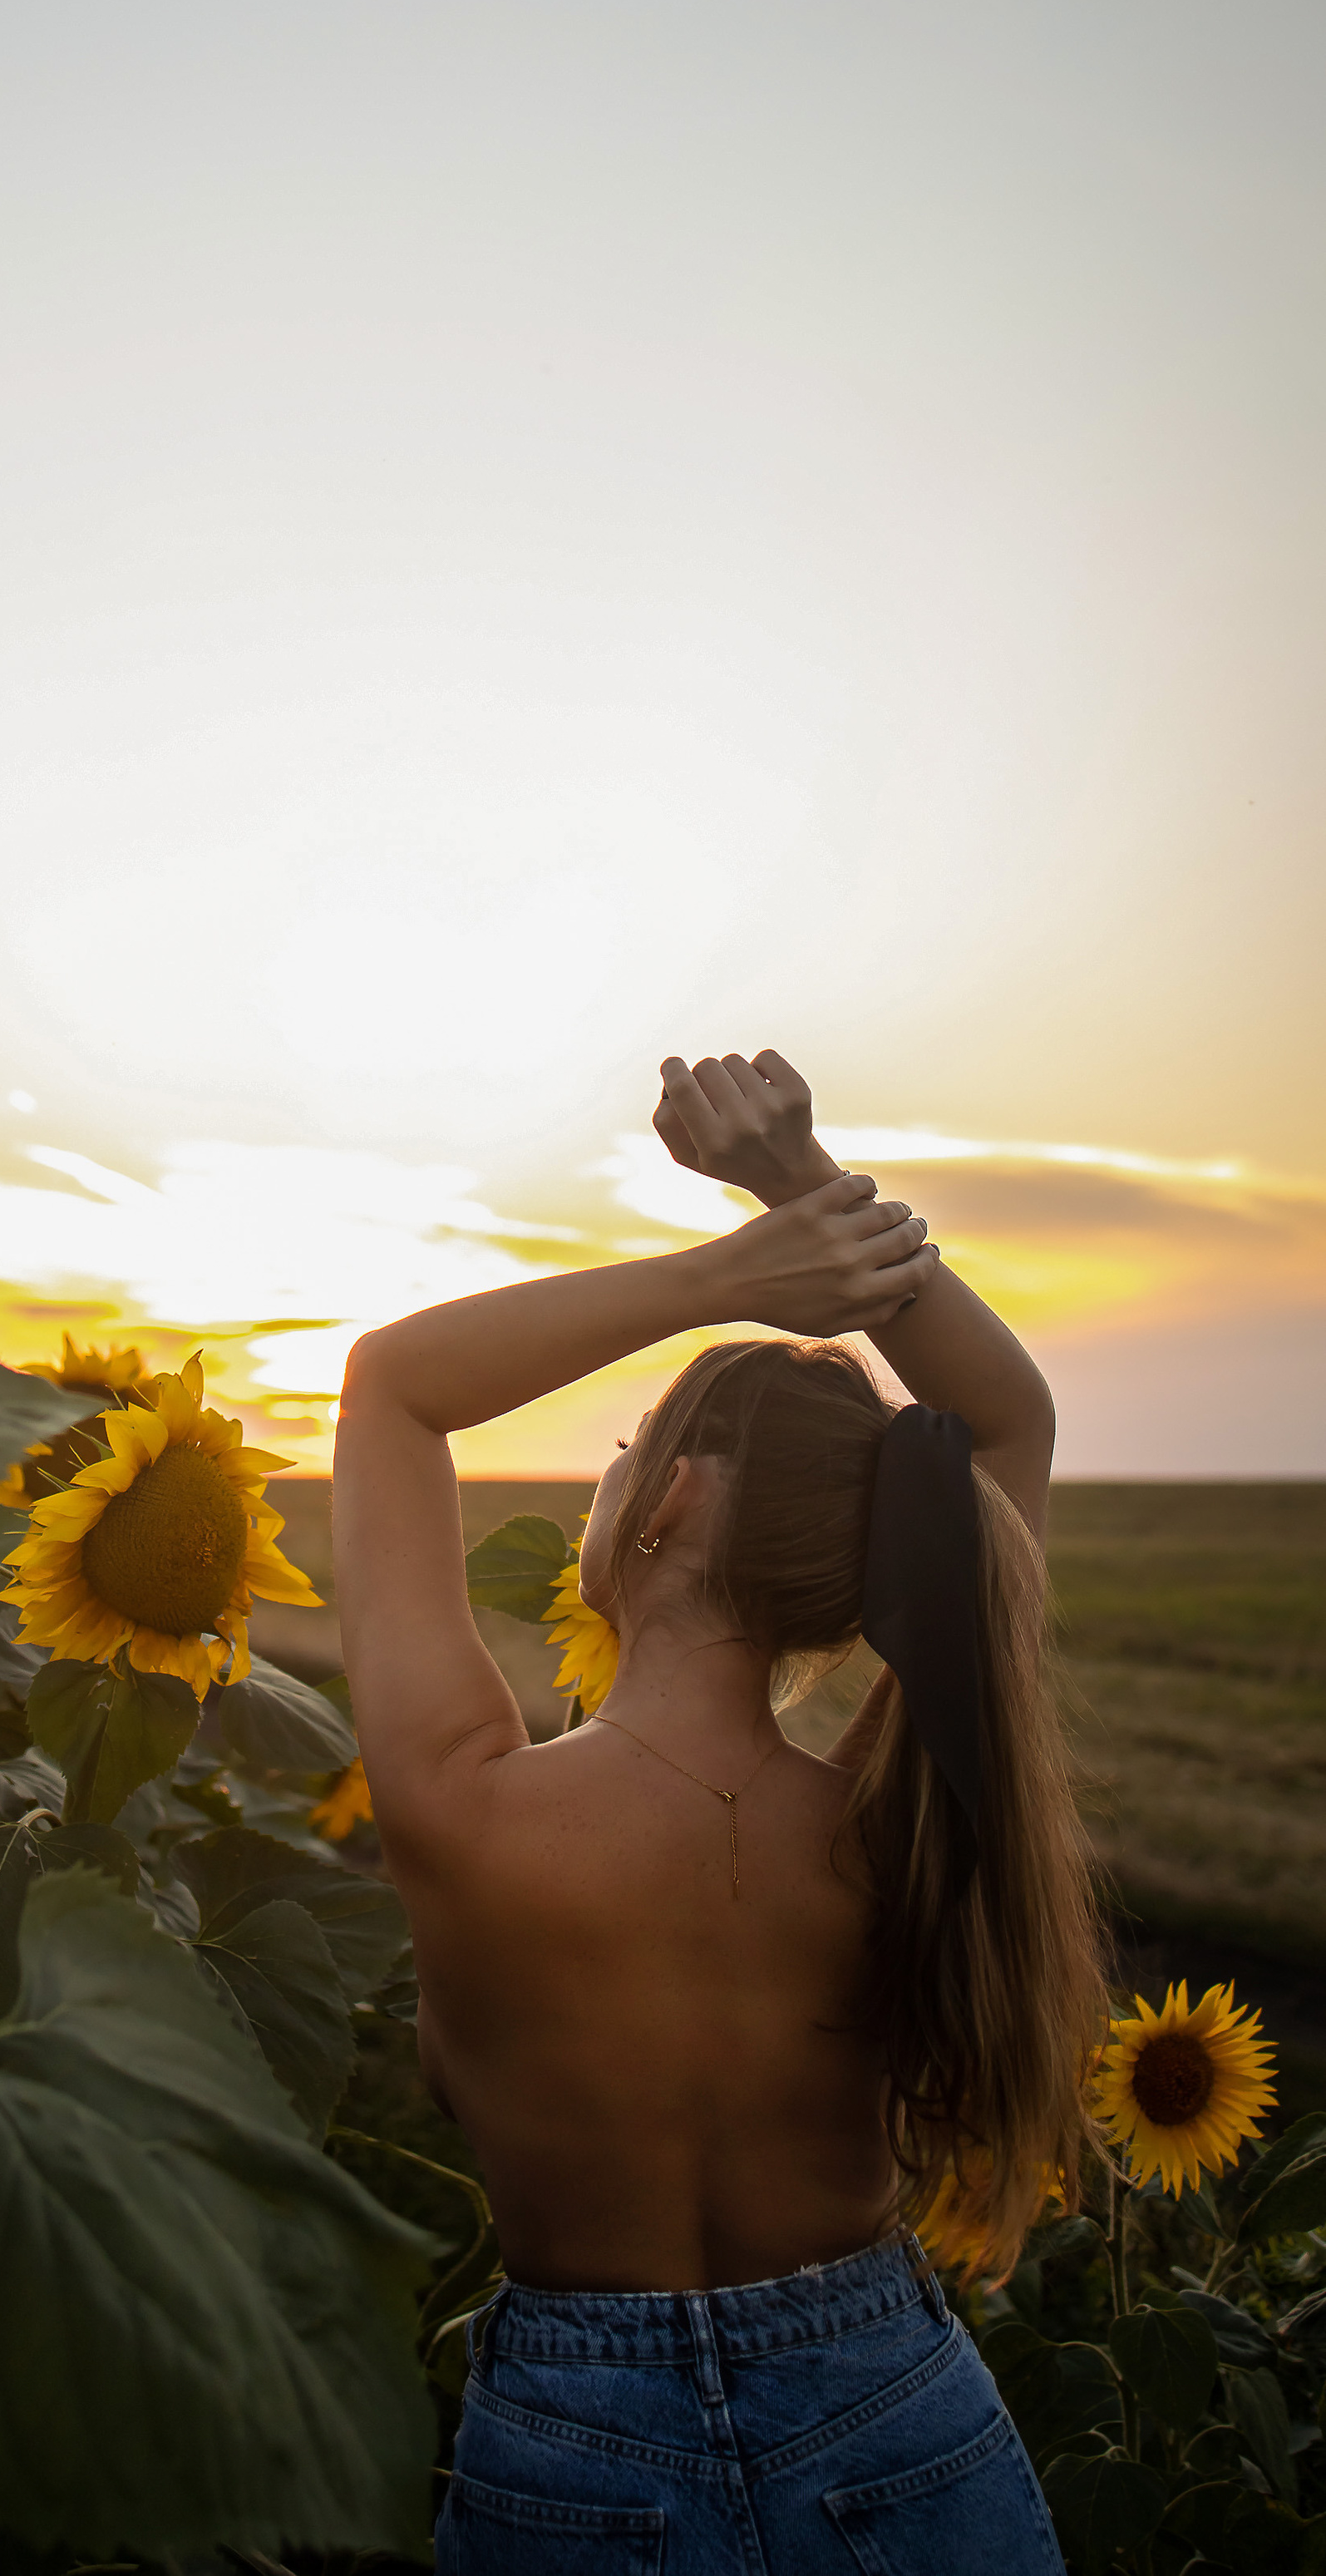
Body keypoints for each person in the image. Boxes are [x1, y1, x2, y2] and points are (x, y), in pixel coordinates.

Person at [331, 1048, 1106, 2574]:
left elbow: (394, 1387)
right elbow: (1009, 1418)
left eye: (623, 1461)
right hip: (898, 2418)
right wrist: (800, 1188)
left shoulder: (461, 1809)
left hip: (576, 2440)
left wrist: (721, 1276)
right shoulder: (905, 1825)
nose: (609, 1485)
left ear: (669, 1501)